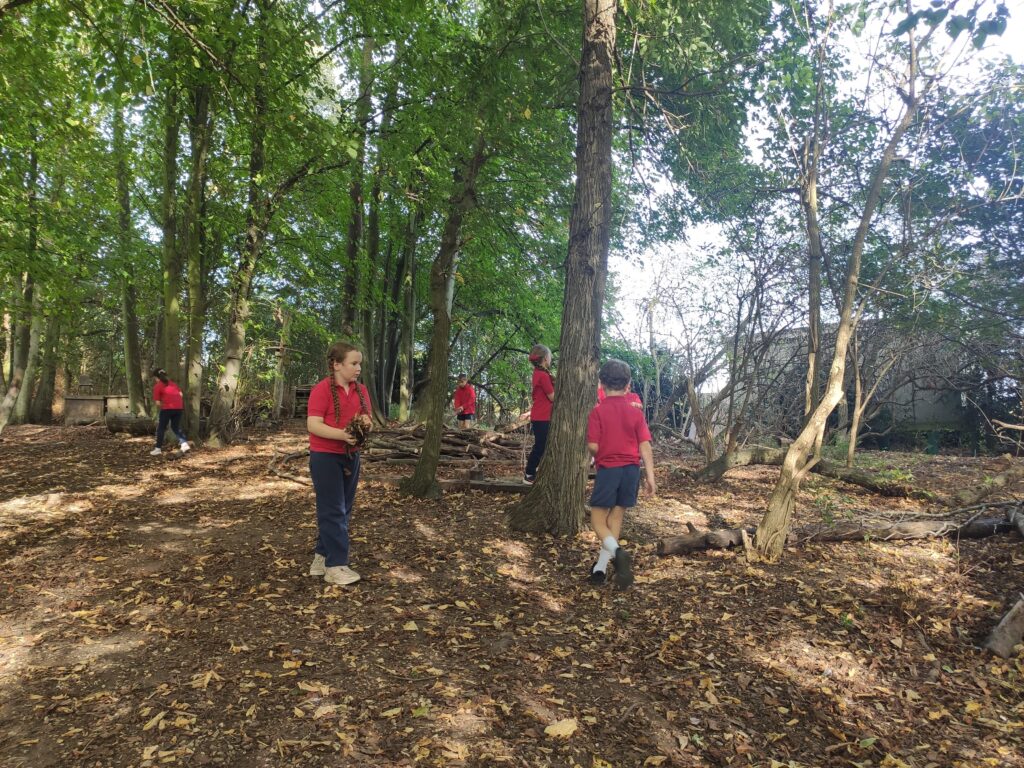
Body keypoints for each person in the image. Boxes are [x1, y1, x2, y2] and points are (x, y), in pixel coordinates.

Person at [306, 341, 373, 587]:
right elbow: (313, 425)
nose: (358, 369)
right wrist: (343, 435)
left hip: (351, 456)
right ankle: (336, 566)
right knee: (332, 510)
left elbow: (368, 419)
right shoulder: (321, 390)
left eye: (360, 364)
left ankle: (321, 559)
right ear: (336, 364)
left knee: (343, 510)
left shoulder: (361, 391)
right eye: (353, 364)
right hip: (325, 456)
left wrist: (365, 425)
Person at [586, 359, 656, 589]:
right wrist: (650, 478)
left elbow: (594, 447)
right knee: (615, 517)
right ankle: (601, 568)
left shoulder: (598, 412)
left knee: (597, 520)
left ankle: (618, 553)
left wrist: (604, 447)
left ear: (601, 383)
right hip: (632, 471)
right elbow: (645, 446)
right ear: (628, 384)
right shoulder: (635, 413)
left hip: (609, 470)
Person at [524, 344, 554, 484]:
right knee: (540, 445)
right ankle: (529, 473)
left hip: (541, 415)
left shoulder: (539, 373)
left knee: (542, 445)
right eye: (550, 356)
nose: (551, 359)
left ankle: (534, 471)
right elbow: (552, 397)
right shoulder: (542, 375)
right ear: (545, 359)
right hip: (542, 416)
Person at [150, 368, 190, 456]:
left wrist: (165, 404)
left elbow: (157, 403)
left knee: (161, 428)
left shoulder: (157, 386)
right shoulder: (173, 384)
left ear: (156, 378)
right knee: (175, 427)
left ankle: (158, 449)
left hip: (167, 409)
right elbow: (181, 394)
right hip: (179, 408)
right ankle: (184, 444)